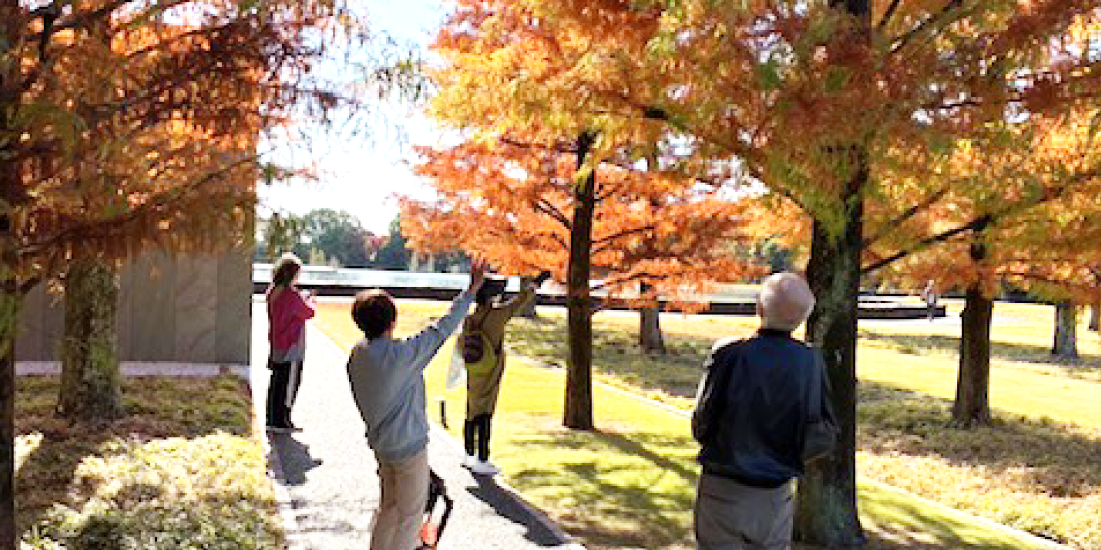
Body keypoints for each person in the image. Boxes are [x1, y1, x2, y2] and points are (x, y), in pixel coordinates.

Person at [346, 258, 488, 550]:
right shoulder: (402, 357)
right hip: (408, 449)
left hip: (382, 446)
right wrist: (471, 290)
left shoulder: (357, 356)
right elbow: (442, 329)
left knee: (389, 509)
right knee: (410, 517)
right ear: (392, 320)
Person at [691, 272, 835, 550]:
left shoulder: (729, 353)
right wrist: (790, 456)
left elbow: (702, 420)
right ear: (803, 317)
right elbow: (822, 432)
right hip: (777, 493)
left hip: (724, 486)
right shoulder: (811, 362)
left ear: (760, 307)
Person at [461, 271, 550, 476]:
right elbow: (520, 300)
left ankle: (468, 454)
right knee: (486, 412)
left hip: (473, 369)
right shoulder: (498, 315)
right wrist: (535, 283)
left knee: (471, 411)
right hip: (490, 370)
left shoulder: (470, 318)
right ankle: (483, 458)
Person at [265, 253, 316, 433]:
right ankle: (283, 420)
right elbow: (309, 312)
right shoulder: (291, 295)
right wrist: (310, 299)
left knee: (276, 381)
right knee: (290, 383)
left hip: (277, 343)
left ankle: (271, 418)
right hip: (292, 346)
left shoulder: (273, 292)